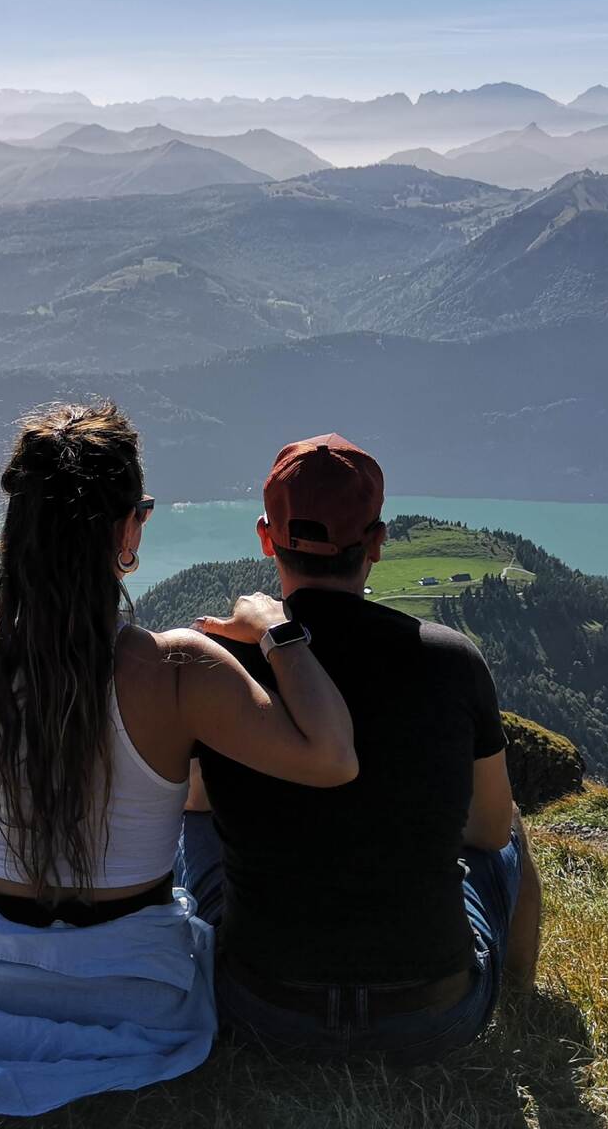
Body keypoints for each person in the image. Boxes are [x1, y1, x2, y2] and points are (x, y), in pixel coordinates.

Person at [0, 402, 356, 1115]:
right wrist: (281, 631)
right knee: (196, 809)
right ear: (130, 527)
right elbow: (332, 756)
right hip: (135, 998)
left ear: (19, 531)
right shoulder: (183, 669)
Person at [176, 433, 542, 1063]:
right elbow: (485, 833)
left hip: (260, 1008)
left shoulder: (227, 662)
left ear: (267, 537)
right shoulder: (451, 660)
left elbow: (196, 801)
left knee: (192, 823)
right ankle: (519, 995)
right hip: (432, 1013)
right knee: (509, 822)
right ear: (376, 541)